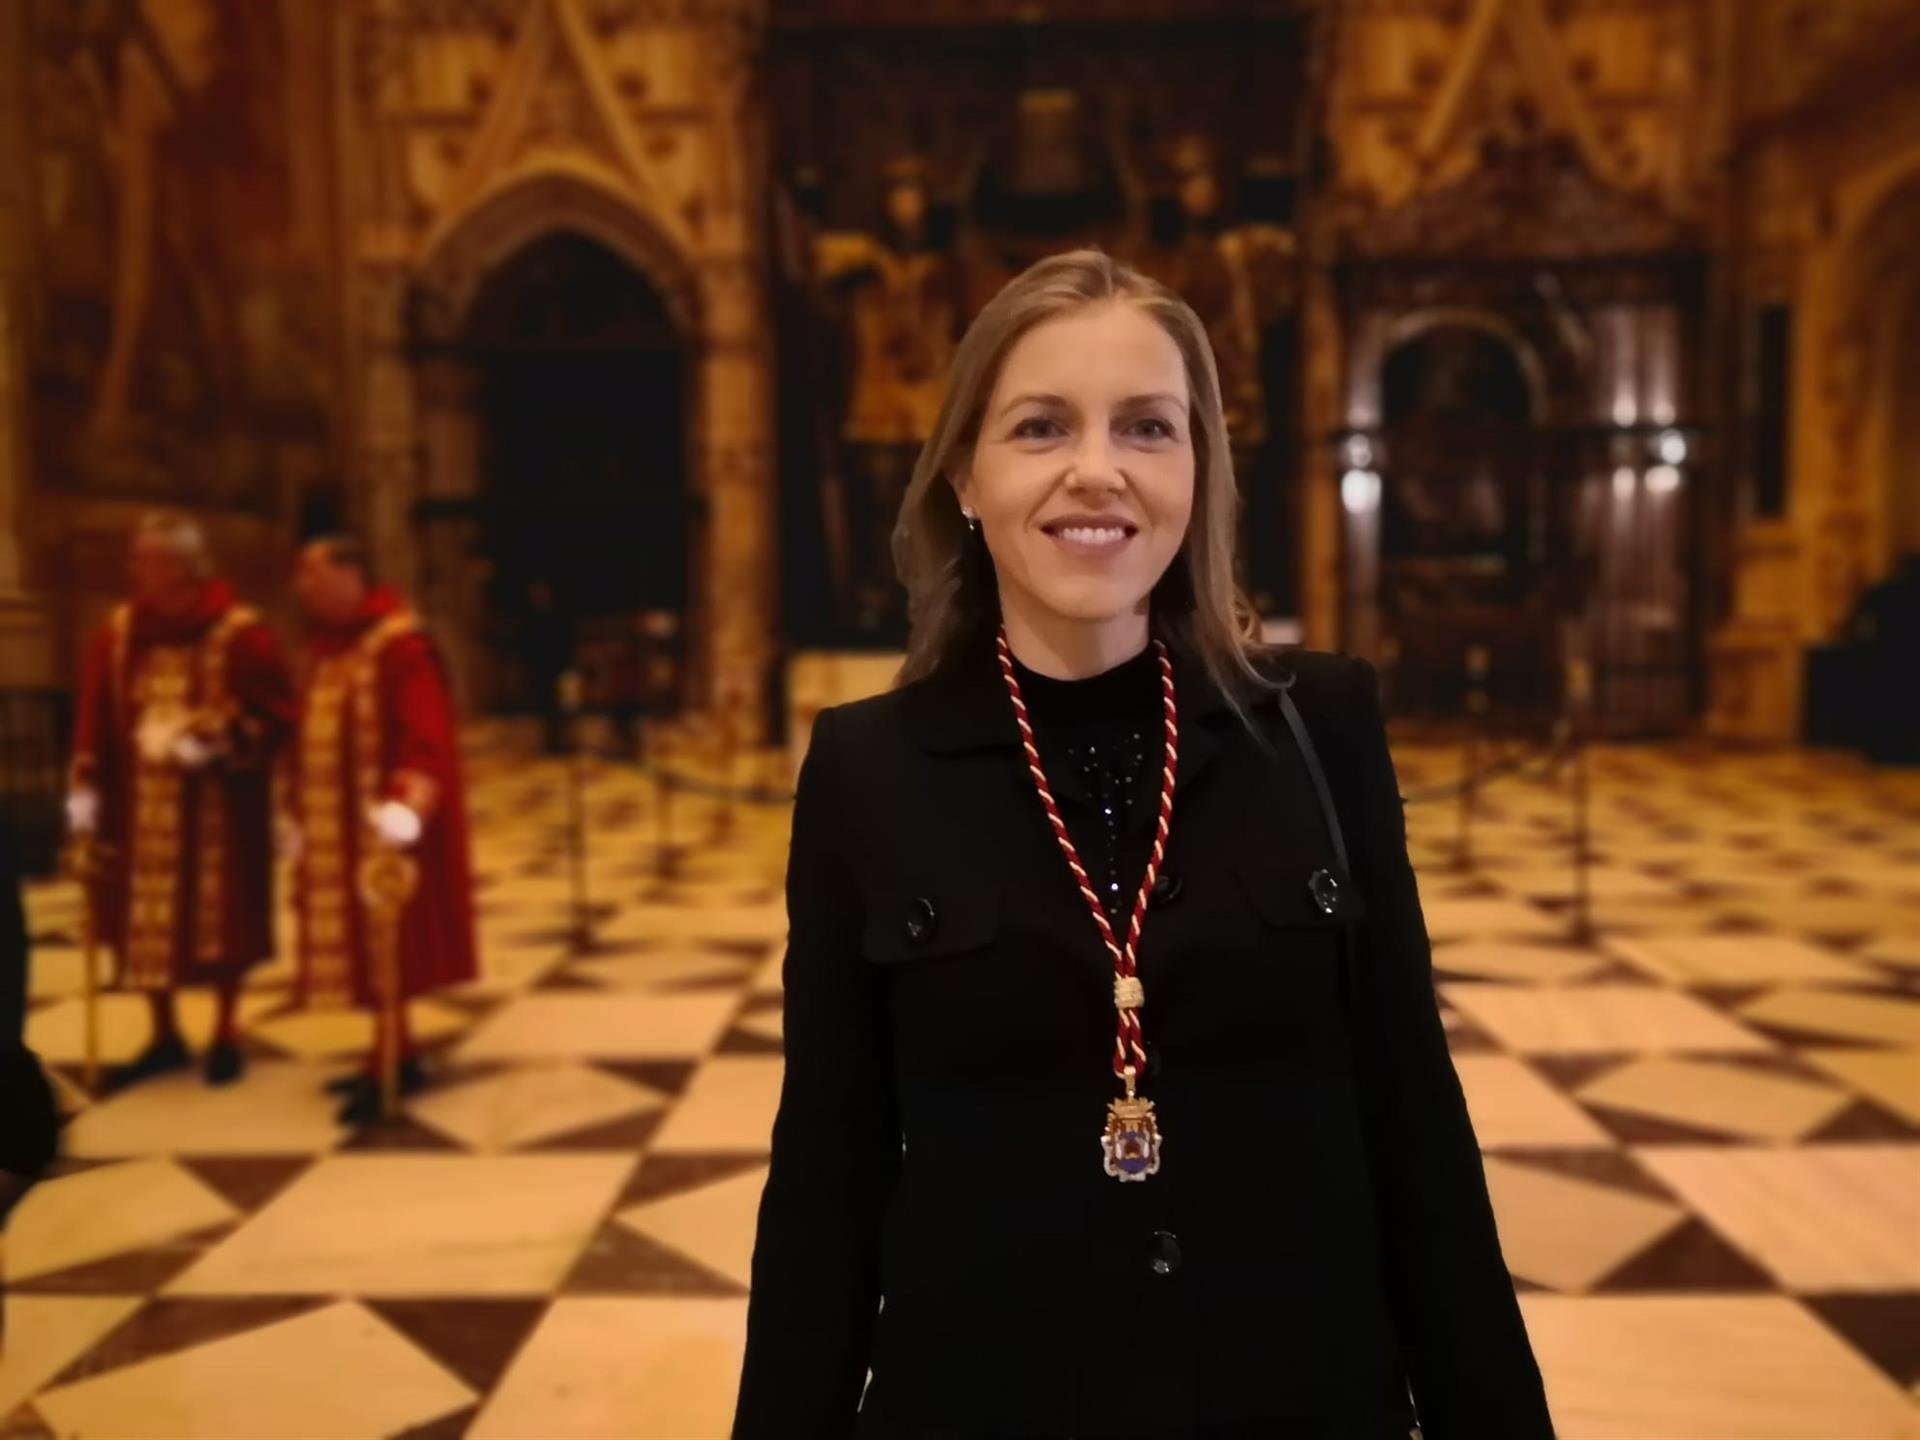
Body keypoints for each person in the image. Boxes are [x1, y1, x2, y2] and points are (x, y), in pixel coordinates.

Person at [735, 252, 1552, 1437]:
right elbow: (828, 1171)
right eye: (1040, 426)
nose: (1097, 471)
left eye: (1148, 427)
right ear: (965, 472)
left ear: (1199, 467)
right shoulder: (868, 768)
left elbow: (1414, 1120)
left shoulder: (1321, 726)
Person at [66, 511, 294, 1091]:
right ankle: (163, 1031)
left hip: (218, 805)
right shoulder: (118, 635)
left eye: (147, 558)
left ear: (182, 565)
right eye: (136, 557)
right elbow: (94, 712)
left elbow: (278, 716)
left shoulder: (241, 632)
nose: (136, 569)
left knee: (224, 916)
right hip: (136, 805)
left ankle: (225, 1029)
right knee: (141, 922)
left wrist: (218, 741)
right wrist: (85, 786)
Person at [289, 535, 476, 1125]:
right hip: (336, 826)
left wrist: (406, 807)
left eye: (313, 575)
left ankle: (393, 1054)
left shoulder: (401, 647)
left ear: (352, 577)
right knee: (361, 944)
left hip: (385, 829)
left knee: (388, 939)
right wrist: (296, 812)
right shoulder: (328, 649)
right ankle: (390, 1048)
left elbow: (427, 736)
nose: (303, 587)